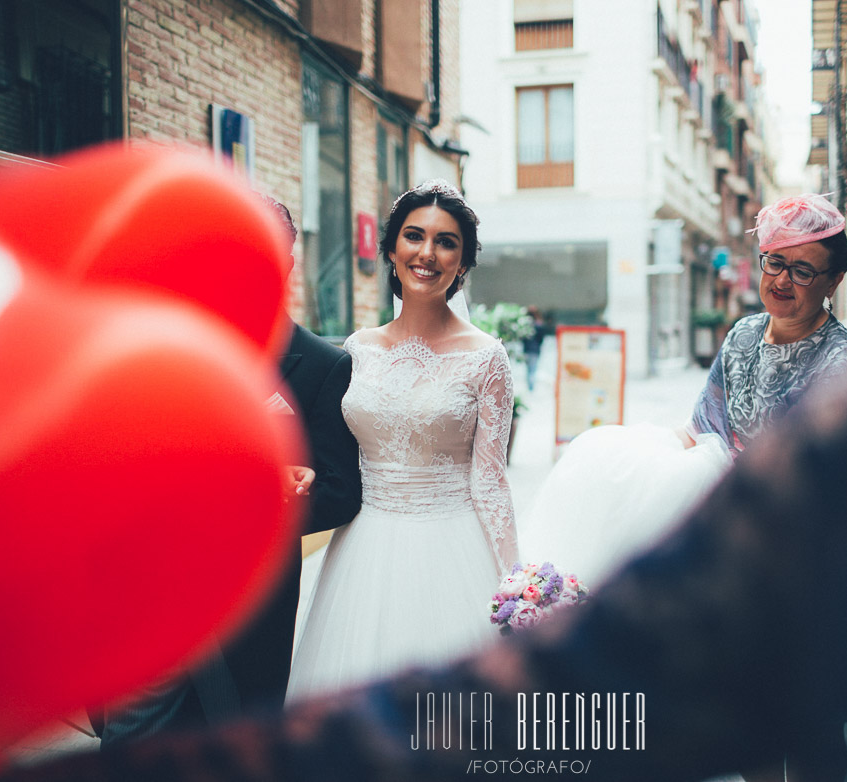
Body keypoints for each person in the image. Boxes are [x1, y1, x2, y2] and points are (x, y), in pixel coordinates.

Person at [0, 299, 847, 782]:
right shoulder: (345, 356)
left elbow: (498, 493)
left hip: (454, 550)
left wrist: (508, 564)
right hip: (381, 557)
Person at [94, 198, 363, 744]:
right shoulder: (171, 343)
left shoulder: (323, 364)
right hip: (151, 594)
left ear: (288, 263)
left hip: (251, 603)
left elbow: (340, 491)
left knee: (235, 745)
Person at [285, 180, 518, 699]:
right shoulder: (358, 350)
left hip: (452, 546)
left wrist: (514, 581)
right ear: (391, 248)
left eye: (446, 242)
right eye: (414, 236)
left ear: (463, 261)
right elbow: (337, 459)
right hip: (363, 551)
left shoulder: (486, 357)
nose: (427, 254)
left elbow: (491, 480)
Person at [686, 193, 847, 455]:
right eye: (775, 263)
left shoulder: (843, 361)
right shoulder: (743, 333)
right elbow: (701, 428)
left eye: (802, 272)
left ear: (833, 282)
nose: (781, 281)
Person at [522, 306, 547, 392]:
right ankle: (531, 388)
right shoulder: (538, 325)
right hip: (535, 350)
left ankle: (530, 387)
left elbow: (523, 338)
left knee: (529, 370)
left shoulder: (525, 324)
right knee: (532, 370)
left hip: (527, 350)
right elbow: (541, 339)